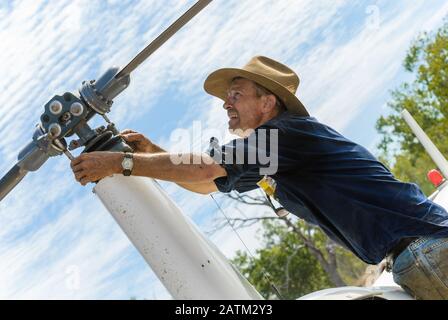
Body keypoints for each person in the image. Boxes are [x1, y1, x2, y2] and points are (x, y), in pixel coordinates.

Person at [71, 56, 448, 299]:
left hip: (429, 249)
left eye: (236, 94)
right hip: (419, 254)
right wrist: (150, 153)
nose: (225, 104)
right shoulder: (281, 152)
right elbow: (206, 184)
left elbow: (204, 168)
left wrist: (120, 164)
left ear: (268, 102)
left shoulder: (285, 134)